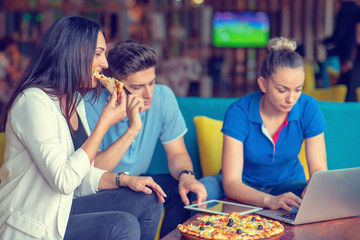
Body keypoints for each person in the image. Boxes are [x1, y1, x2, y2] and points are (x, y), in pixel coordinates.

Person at [0, 15, 165, 240]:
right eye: (98, 54)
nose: (105, 64)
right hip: (35, 223)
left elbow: (81, 174)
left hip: (63, 209)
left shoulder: (74, 100)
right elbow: (65, 180)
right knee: (121, 225)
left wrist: (123, 179)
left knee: (148, 200)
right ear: (72, 53)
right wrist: (104, 123)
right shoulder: (32, 103)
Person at [84, 41, 207, 237]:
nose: (149, 94)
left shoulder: (163, 96)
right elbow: (93, 171)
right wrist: (132, 129)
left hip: (137, 183)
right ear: (113, 85)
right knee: (147, 197)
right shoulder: (89, 105)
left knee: (181, 190)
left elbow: (177, 153)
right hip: (102, 187)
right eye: (137, 87)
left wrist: (186, 175)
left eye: (151, 82)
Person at [199, 37, 328, 213]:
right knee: (202, 190)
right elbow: (231, 183)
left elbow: (319, 172)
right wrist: (269, 200)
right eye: (282, 90)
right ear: (263, 84)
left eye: (298, 89)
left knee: (319, 197)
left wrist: (313, 188)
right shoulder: (239, 111)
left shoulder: (308, 107)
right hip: (242, 185)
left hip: (288, 185)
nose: (291, 98)